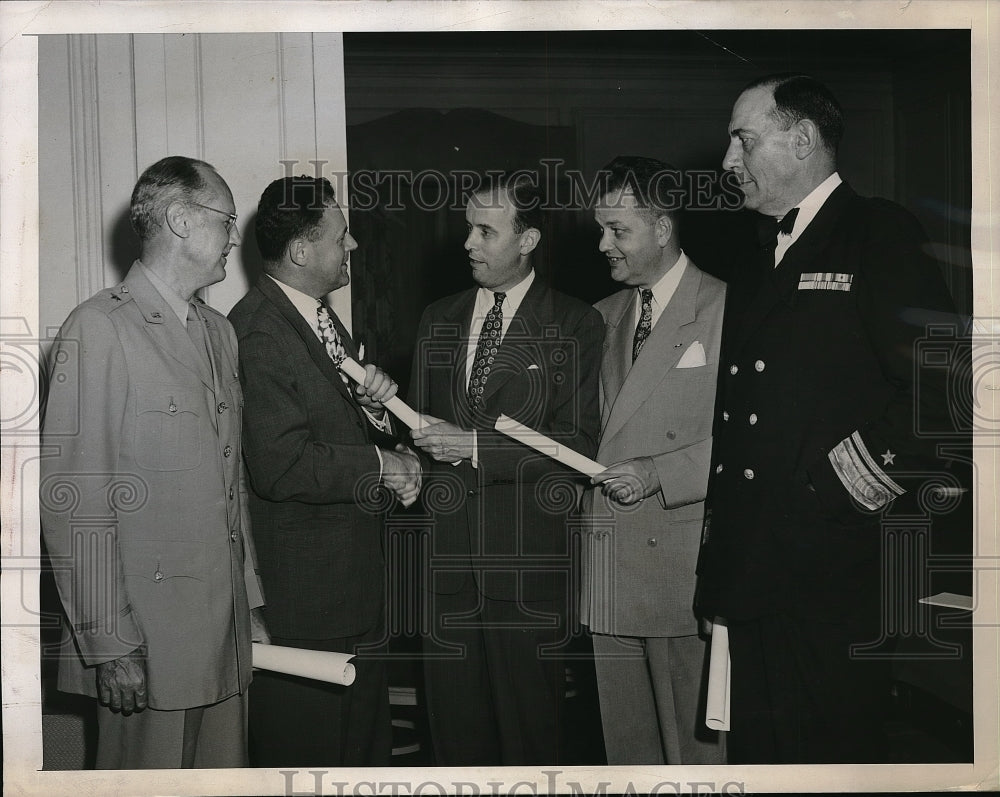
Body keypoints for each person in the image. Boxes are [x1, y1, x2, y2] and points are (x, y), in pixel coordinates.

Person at [696, 73, 960, 763]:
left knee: (832, 757)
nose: (728, 162)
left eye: (743, 141)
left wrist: (831, 493)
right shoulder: (755, 253)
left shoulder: (880, 233)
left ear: (802, 139)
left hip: (833, 566)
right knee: (760, 755)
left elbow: (939, 400)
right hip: (754, 563)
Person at [39, 155, 267, 768]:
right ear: (181, 222)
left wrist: (251, 608)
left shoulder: (220, 332)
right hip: (147, 644)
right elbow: (74, 501)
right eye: (226, 220)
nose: (234, 239)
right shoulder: (99, 328)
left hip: (224, 633)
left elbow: (230, 480)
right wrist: (109, 641)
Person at [408, 174, 603, 765]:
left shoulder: (575, 324)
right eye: (468, 226)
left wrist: (473, 445)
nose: (468, 241)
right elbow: (419, 434)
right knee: (454, 743)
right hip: (446, 571)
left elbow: (578, 443)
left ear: (529, 239)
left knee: (528, 740)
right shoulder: (436, 319)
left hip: (527, 574)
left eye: (485, 230)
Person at [229, 175, 421, 767]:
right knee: (308, 759)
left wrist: (375, 415)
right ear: (301, 251)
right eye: (342, 235)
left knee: (360, 758)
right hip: (304, 603)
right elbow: (282, 465)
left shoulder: (316, 318)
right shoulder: (261, 330)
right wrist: (381, 464)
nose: (354, 246)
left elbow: (328, 429)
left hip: (349, 592)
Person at [581, 155, 726, 765]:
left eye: (618, 230)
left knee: (694, 759)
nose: (602, 244)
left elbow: (750, 442)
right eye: (601, 228)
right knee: (628, 755)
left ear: (663, 227)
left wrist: (659, 475)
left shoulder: (725, 309)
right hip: (609, 562)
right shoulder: (602, 316)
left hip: (681, 566)